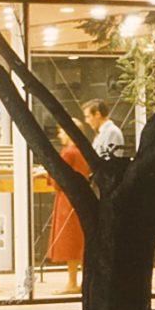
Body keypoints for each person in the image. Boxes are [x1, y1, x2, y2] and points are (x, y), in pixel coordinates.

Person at [47, 121, 90, 294]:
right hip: (81, 199)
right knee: (80, 243)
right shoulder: (82, 152)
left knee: (69, 243)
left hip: (67, 200)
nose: (59, 135)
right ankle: (82, 283)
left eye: (61, 131)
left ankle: (72, 283)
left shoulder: (68, 152)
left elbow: (59, 180)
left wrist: (47, 176)